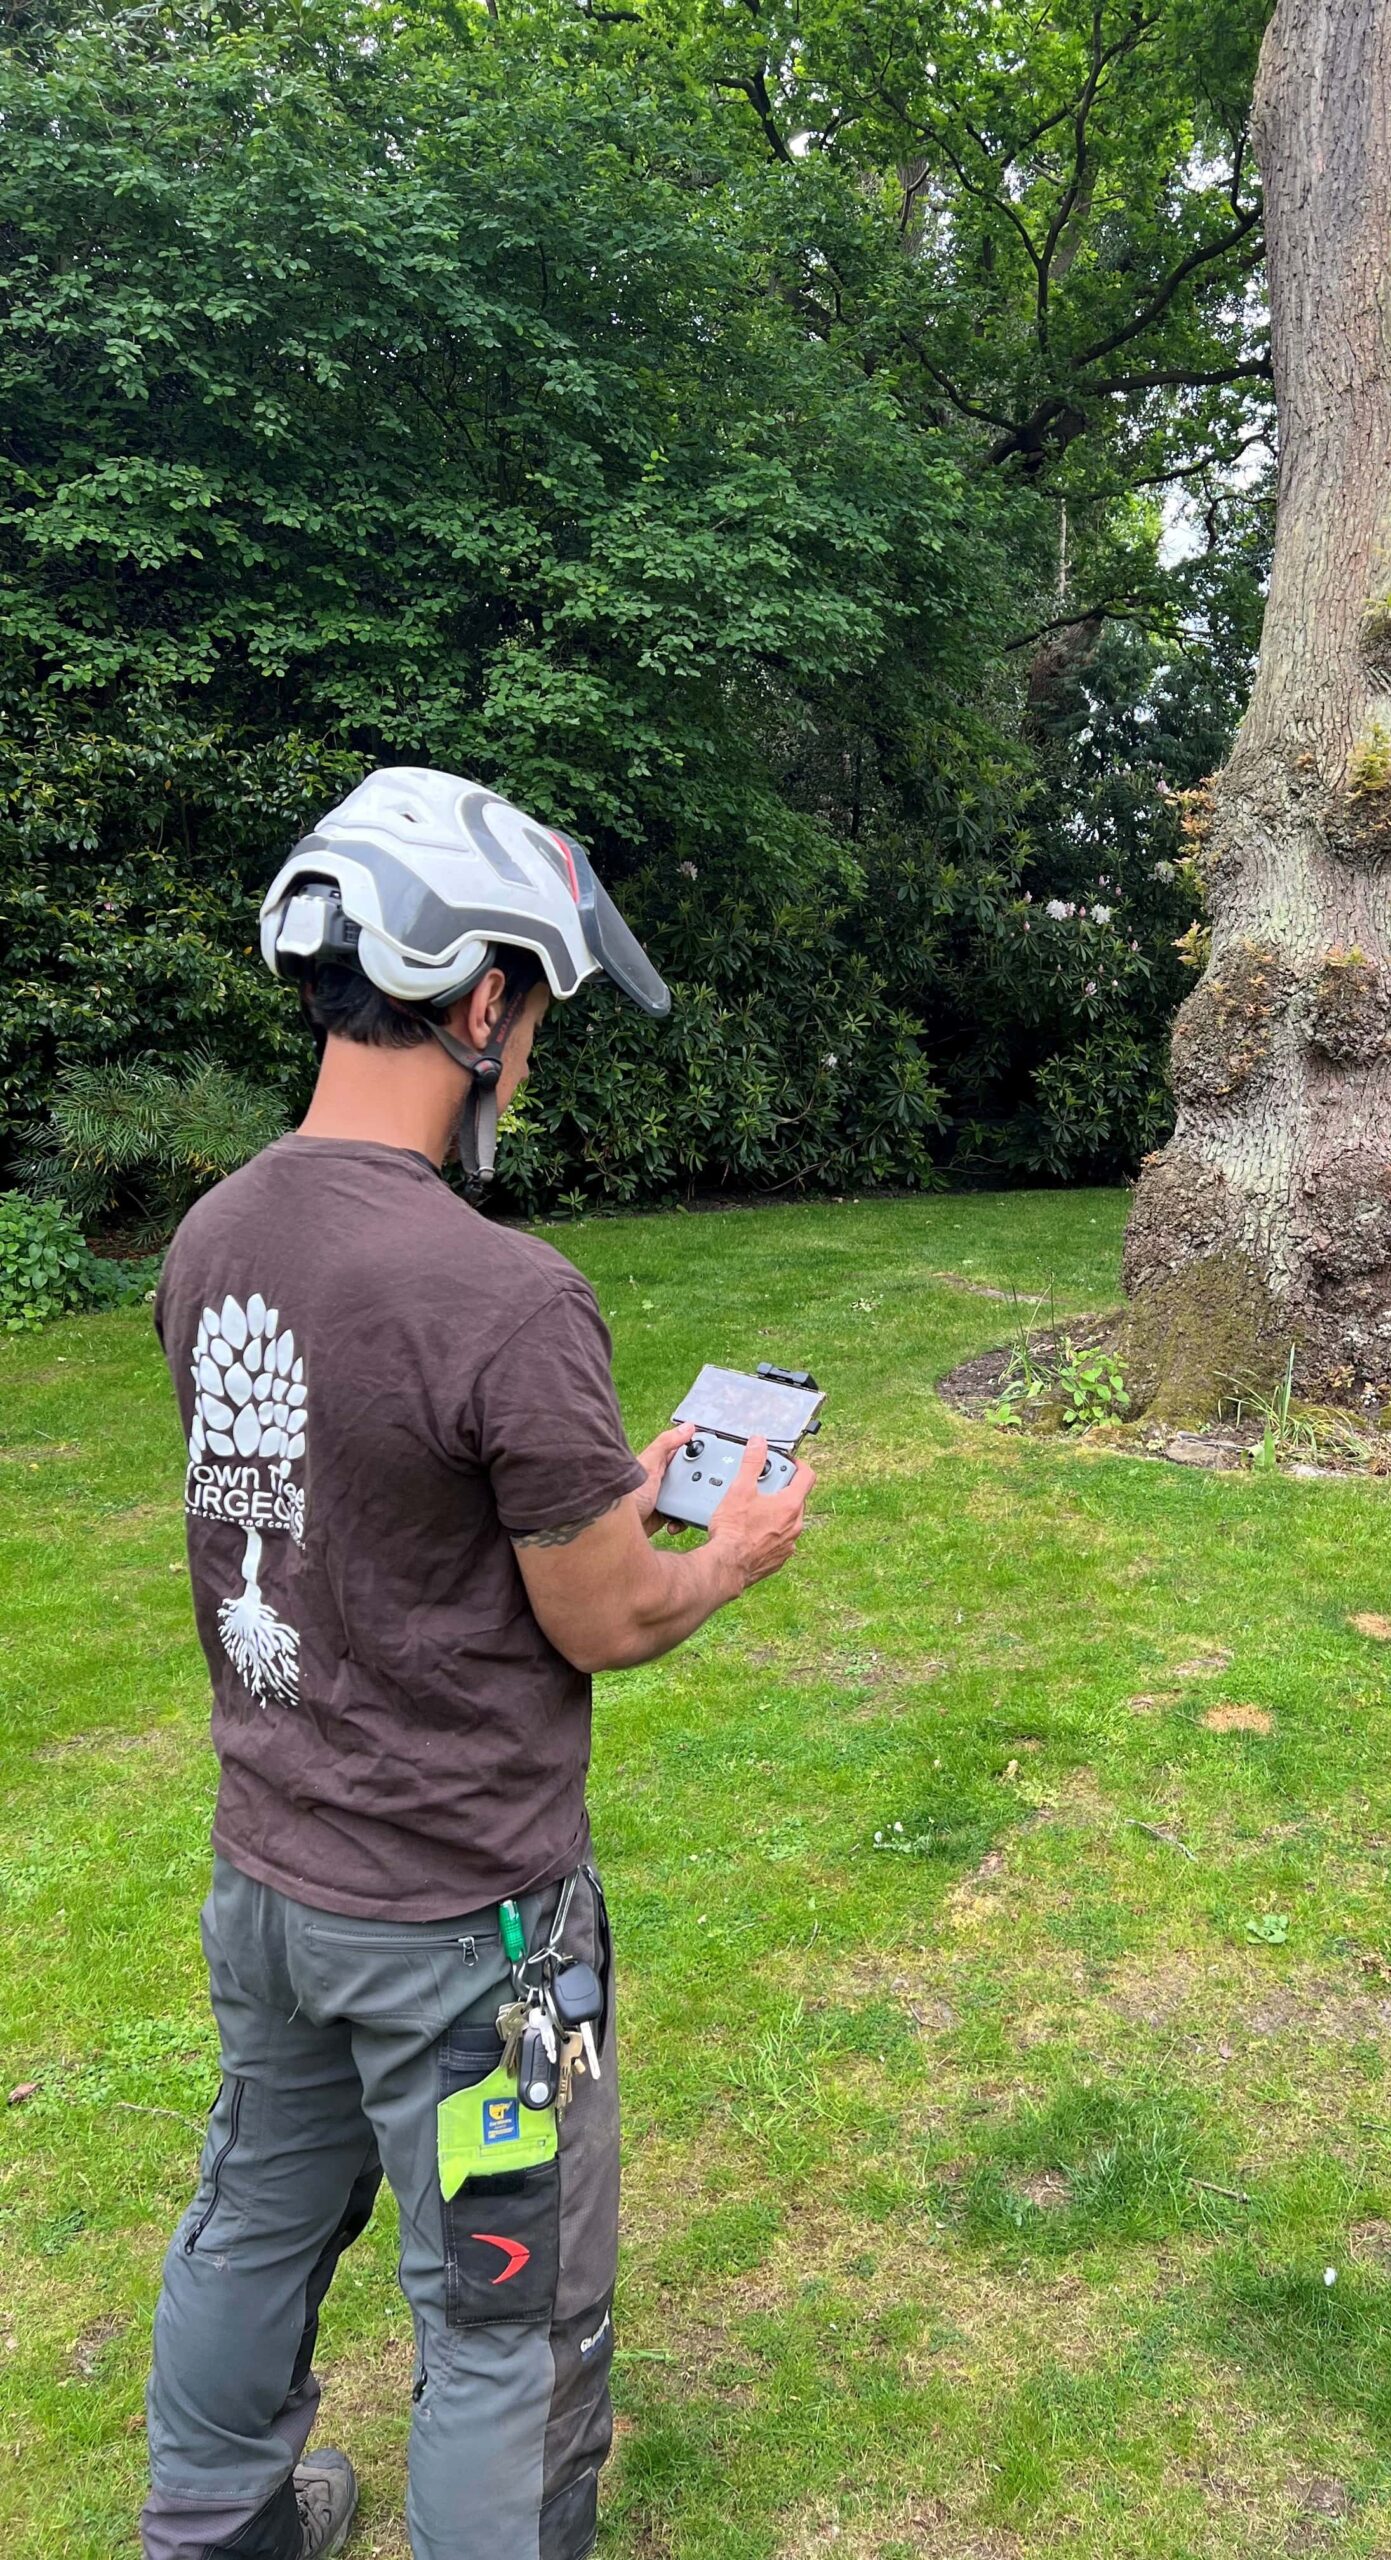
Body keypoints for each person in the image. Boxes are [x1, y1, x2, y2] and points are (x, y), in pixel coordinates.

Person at [141, 768, 814, 2560]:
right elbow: (604, 1616)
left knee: (255, 2212)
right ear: (480, 994)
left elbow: (362, 1489)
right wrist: (725, 1549)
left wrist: (604, 1482)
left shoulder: (217, 1240)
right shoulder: (503, 1292)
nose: (530, 1050)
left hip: (270, 1874)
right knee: (505, 2318)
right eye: (533, 1003)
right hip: (467, 1937)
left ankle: (209, 2526)